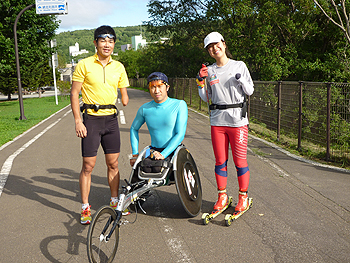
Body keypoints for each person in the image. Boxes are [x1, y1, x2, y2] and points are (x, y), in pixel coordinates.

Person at [70, 25, 129, 225]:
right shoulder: (84, 64)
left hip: (111, 119)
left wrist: (125, 95)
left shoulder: (119, 66)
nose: (107, 44)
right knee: (88, 165)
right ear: (95, 43)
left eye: (111, 41)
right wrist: (78, 120)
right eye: (103, 40)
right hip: (91, 119)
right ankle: (85, 207)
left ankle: (114, 201)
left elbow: (124, 92)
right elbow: (74, 93)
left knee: (113, 163)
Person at [196, 32, 254, 214]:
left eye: (216, 44)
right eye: (210, 47)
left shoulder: (239, 65)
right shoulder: (210, 71)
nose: (214, 48)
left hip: (237, 121)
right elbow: (206, 97)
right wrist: (200, 81)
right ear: (208, 51)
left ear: (224, 43)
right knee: (220, 161)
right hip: (217, 121)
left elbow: (250, 90)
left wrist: (240, 78)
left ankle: (242, 197)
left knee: (240, 161)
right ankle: (222, 196)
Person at [129, 72, 188, 168]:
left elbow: (180, 134)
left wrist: (163, 154)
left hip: (174, 149)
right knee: (142, 170)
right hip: (154, 150)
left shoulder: (179, 105)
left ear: (167, 87)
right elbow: (133, 129)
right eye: (153, 87)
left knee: (158, 168)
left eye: (160, 86)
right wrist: (135, 154)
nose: (156, 91)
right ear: (149, 89)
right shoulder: (144, 109)